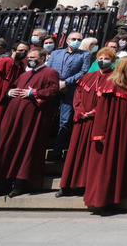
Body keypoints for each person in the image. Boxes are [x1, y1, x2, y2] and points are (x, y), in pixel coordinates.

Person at [0, 47, 60, 197]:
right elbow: (11, 89)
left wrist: (34, 92)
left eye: (33, 57)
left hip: (32, 117)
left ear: (42, 58)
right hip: (13, 117)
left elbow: (53, 91)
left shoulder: (50, 72)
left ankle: (19, 182)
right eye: (29, 57)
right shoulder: (24, 74)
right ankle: (4, 180)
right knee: (9, 146)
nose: (30, 59)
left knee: (26, 146)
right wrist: (9, 93)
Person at [84, 55, 127, 213]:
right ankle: (104, 201)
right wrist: (100, 133)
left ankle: (124, 194)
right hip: (115, 129)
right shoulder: (111, 83)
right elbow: (103, 112)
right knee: (110, 163)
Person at [58, 47, 116, 197]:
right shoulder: (87, 77)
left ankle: (89, 185)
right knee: (76, 153)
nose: (103, 61)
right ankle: (67, 185)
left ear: (113, 61)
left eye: (107, 59)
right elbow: (77, 97)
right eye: (100, 58)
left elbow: (112, 102)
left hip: (99, 122)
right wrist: (81, 111)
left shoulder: (115, 78)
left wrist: (96, 112)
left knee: (95, 154)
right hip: (82, 121)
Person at [46, 31, 92, 159]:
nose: (76, 41)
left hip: (70, 90)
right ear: (67, 40)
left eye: (79, 39)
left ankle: (57, 150)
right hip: (53, 89)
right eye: (73, 39)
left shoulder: (85, 55)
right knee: (47, 117)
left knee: (65, 121)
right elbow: (48, 70)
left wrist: (66, 82)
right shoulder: (56, 53)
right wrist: (56, 83)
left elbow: (83, 71)